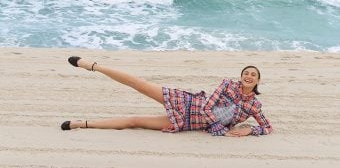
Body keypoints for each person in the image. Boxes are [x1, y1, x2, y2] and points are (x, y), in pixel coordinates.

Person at [61, 57, 272, 137]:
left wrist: (249, 130)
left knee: (134, 122)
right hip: (187, 102)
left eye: (253, 74)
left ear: (258, 81)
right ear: (241, 76)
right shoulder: (228, 84)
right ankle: (92, 66)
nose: (248, 76)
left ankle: (82, 124)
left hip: (188, 122)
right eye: (246, 72)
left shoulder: (254, 106)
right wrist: (219, 126)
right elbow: (208, 106)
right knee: (139, 84)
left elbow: (268, 127)